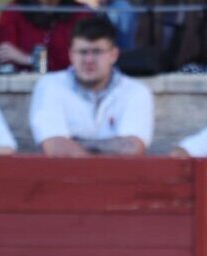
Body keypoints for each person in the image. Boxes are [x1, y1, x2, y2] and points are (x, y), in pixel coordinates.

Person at [29, 16, 154, 156]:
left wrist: (74, 143)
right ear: (71, 55)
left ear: (113, 55)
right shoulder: (50, 86)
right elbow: (55, 148)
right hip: (64, 176)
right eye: (82, 52)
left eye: (97, 52)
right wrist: (108, 147)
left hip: (118, 178)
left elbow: (132, 149)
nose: (89, 60)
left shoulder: (136, 91)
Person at [0, 0, 93, 73]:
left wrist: (30, 60)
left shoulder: (81, 13)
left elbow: (86, 59)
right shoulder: (14, 11)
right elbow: (3, 58)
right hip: (25, 88)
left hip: (69, 88)